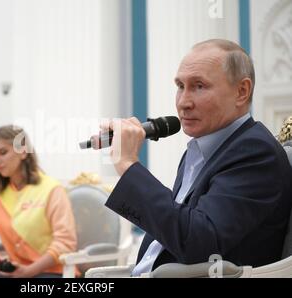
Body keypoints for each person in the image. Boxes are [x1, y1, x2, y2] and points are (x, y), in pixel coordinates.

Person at [101, 39, 292, 276]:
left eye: (199, 86)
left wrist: (129, 165)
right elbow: (174, 234)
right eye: (180, 86)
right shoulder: (201, 152)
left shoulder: (255, 151)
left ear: (242, 91)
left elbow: (198, 243)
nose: (183, 102)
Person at [0, 125, 77, 278]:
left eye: (3, 152)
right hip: (14, 273)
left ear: (23, 151)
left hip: (54, 272)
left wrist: (29, 271)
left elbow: (65, 243)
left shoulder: (52, 190)